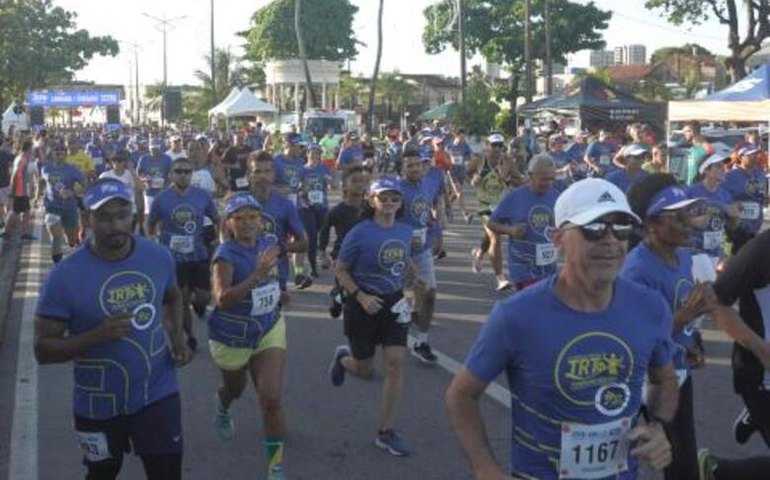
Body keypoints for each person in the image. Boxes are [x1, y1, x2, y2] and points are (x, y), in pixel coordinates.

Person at [446, 178, 678, 479]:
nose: (610, 240)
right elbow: (461, 396)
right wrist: (486, 469)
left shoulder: (650, 307)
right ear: (557, 238)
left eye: (621, 227)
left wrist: (658, 425)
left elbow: (666, 379)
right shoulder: (516, 316)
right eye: (593, 228)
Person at [34, 178, 190, 480]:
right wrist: (96, 336)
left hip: (157, 391)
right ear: (86, 219)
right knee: (102, 474)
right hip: (98, 401)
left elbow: (172, 297)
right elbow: (42, 350)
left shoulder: (158, 257)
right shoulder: (64, 277)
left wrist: (178, 340)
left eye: (121, 215)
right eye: (103, 217)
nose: (115, 225)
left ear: (133, 215)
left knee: (167, 473)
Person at [328, 177, 421, 457]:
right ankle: (344, 361)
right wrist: (361, 296)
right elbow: (341, 270)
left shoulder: (405, 231)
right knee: (365, 369)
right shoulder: (360, 232)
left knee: (394, 363)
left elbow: (403, 257)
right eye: (384, 198)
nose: (390, 203)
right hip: (362, 302)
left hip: (393, 302)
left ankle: (386, 431)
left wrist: (413, 277)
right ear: (372, 201)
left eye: (395, 198)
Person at [207, 192, 286, 480]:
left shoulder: (268, 243)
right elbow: (222, 298)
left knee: (271, 399)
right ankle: (223, 404)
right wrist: (256, 275)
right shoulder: (225, 255)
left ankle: (275, 466)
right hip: (231, 336)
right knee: (235, 390)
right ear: (229, 223)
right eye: (240, 218)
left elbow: (274, 277)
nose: (248, 223)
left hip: (267, 327)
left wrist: (281, 293)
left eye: (253, 216)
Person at [148, 157, 220, 352]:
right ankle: (188, 336)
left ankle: (199, 305)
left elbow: (216, 218)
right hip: (173, 258)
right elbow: (150, 223)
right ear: (171, 174)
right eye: (178, 171)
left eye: (187, 171)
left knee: (204, 297)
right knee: (182, 298)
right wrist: (153, 243)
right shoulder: (162, 198)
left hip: (198, 254)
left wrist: (217, 238)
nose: (183, 175)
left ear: (192, 174)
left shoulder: (202, 196)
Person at [487, 154, 560, 292]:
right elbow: (492, 223)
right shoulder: (515, 197)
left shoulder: (556, 196)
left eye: (552, 179)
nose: (549, 183)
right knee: (534, 301)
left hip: (548, 267)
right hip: (523, 267)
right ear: (531, 176)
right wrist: (511, 231)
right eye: (544, 179)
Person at [247, 151, 308, 300]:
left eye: (267, 171)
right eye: (257, 171)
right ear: (249, 175)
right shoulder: (239, 202)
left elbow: (303, 243)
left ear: (273, 174)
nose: (263, 176)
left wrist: (280, 248)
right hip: (244, 278)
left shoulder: (285, 205)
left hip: (275, 279)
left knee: (274, 322)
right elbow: (224, 239)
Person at [396, 150, 439, 364]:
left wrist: (436, 232)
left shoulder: (428, 185)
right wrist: (402, 238)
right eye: (410, 165)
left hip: (422, 250)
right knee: (390, 301)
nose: (415, 169)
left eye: (418, 165)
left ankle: (422, 342)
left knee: (429, 293)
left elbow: (427, 214)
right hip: (396, 252)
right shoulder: (396, 190)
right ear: (402, 168)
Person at [319, 165, 367, 317]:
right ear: (345, 185)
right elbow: (325, 231)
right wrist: (323, 253)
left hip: (365, 254)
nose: (359, 184)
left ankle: (340, 296)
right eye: (355, 181)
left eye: (362, 181)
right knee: (346, 288)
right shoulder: (337, 211)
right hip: (341, 255)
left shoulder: (370, 208)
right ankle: (337, 296)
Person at [38, 142, 87, 262]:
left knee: (72, 240)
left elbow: (85, 184)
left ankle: (74, 249)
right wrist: (37, 195)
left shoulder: (72, 169)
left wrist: (73, 193)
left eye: (61, 152)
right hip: (52, 206)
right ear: (52, 154)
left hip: (69, 207)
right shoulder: (46, 168)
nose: (58, 154)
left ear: (65, 154)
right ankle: (58, 267)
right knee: (56, 236)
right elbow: (41, 182)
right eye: (56, 152)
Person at [723, 143, 768, 253]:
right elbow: (722, 199)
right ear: (741, 157)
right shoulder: (730, 176)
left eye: (755, 154)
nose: (754, 157)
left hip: (757, 227)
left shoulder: (761, 175)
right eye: (750, 154)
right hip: (737, 228)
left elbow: (763, 197)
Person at [299, 143, 331, 278]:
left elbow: (332, 185)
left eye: (317, 153)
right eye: (312, 153)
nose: (314, 156)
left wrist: (329, 182)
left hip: (322, 206)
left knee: (323, 235)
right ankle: (313, 267)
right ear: (307, 154)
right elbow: (297, 188)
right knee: (311, 237)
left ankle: (322, 253)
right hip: (307, 207)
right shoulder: (302, 170)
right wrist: (302, 190)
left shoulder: (324, 168)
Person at [4, 137, 38, 241]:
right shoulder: (22, 159)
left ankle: (24, 233)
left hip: (22, 190)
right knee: (15, 212)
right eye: (32, 148)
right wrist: (13, 191)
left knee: (26, 211)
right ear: (28, 148)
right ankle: (7, 232)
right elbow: (16, 175)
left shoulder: (23, 158)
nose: (33, 150)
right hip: (20, 191)